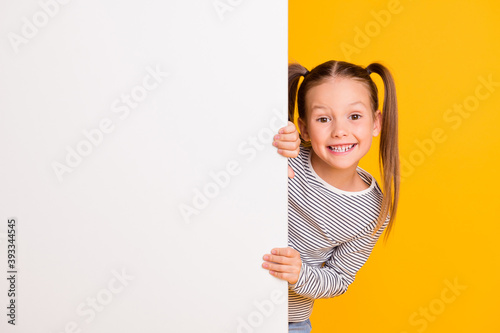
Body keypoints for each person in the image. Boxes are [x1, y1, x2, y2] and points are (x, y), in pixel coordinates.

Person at [265, 60, 400, 332]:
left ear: (376, 122)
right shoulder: (285, 159)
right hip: (223, 296)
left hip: (288, 321)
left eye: (354, 116)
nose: (339, 131)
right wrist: (269, 145)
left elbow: (338, 279)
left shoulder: (374, 211)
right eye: (323, 119)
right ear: (303, 128)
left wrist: (300, 273)